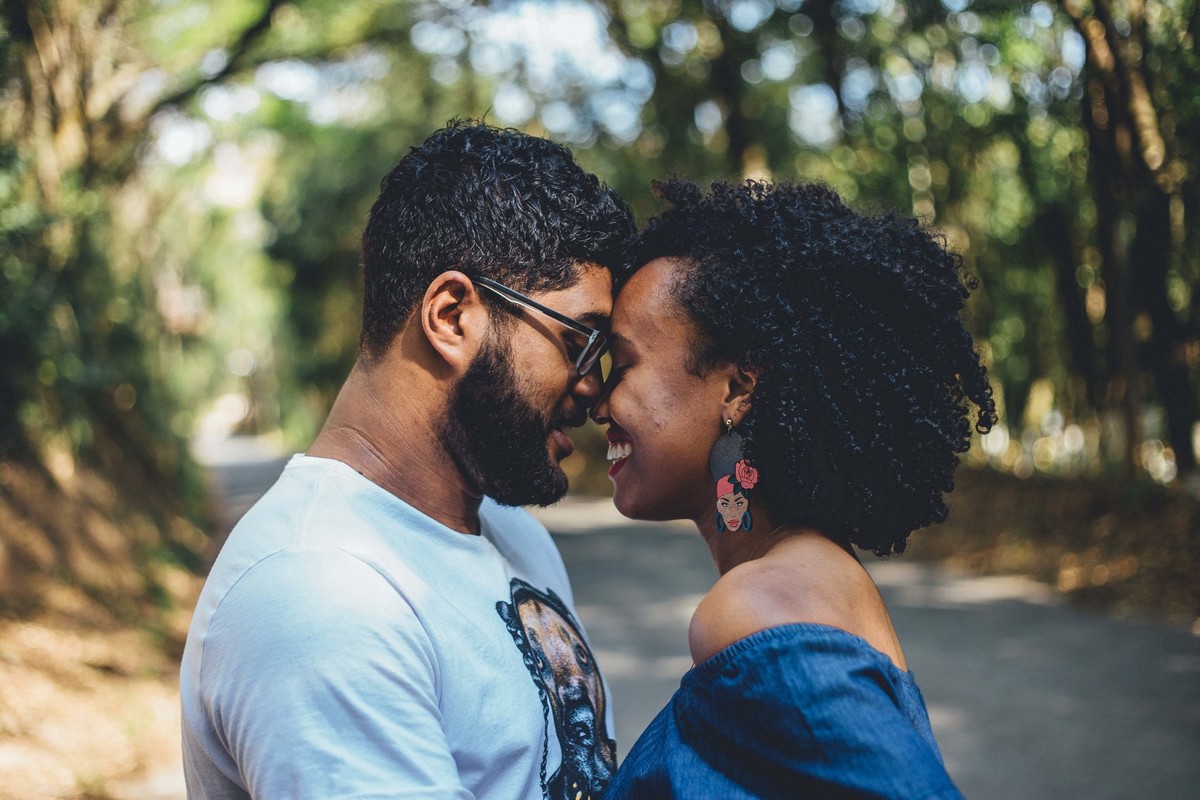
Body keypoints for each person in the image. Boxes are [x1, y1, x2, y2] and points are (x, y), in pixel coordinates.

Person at [180, 121, 634, 800]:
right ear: (452, 316)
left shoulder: (517, 538)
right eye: (581, 343)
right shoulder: (317, 595)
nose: (597, 389)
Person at [594, 179, 997, 799]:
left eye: (621, 365)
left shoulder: (757, 606)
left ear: (737, 389)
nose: (598, 401)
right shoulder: (817, 575)